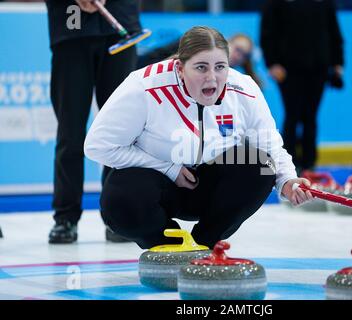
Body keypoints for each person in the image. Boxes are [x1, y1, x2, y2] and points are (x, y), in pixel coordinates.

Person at [84, 26, 314, 249]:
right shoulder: (143, 86)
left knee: (261, 165)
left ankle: (204, 245)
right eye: (201, 68)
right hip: (157, 186)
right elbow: (98, 145)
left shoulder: (243, 88)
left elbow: (269, 143)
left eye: (220, 67)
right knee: (119, 200)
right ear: (180, 68)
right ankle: (168, 246)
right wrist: (168, 168)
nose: (212, 78)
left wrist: (287, 180)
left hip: (209, 186)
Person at [46, 0, 143, 243]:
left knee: (121, 132)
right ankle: (65, 218)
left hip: (120, 25)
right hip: (71, 25)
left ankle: (117, 216)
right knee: (70, 131)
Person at [260, 0, 344, 175]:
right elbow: (267, 33)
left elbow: (334, 31)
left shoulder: (324, 3)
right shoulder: (276, 4)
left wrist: (337, 63)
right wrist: (272, 63)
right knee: (292, 115)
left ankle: (309, 163)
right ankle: (288, 164)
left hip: (319, 67)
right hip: (288, 70)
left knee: (311, 116)